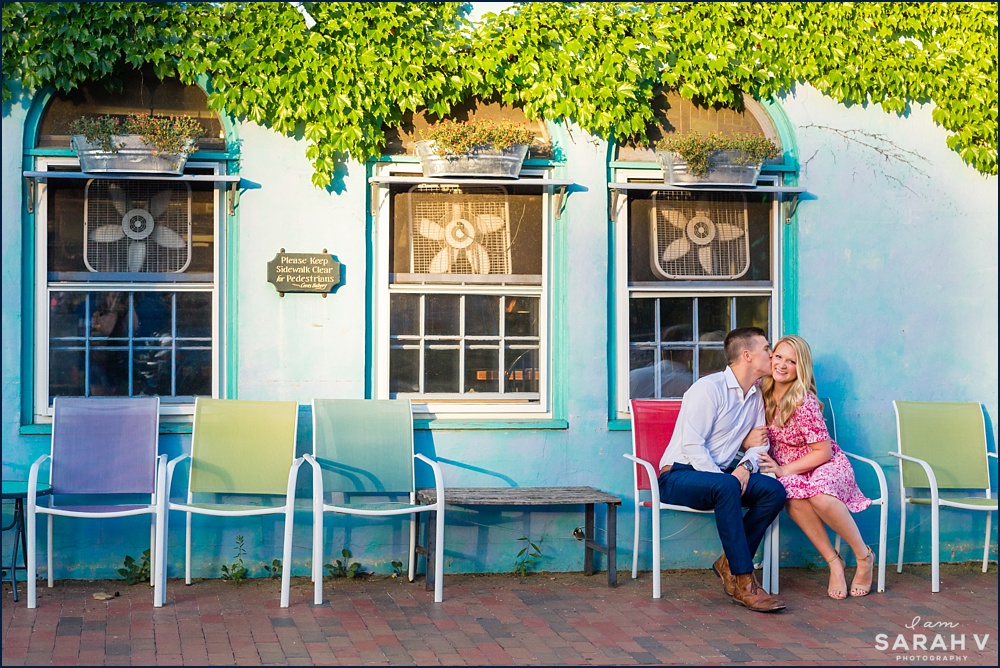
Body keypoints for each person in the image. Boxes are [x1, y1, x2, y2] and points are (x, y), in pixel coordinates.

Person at [657, 326, 787, 612]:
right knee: (726, 485)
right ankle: (744, 582)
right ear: (747, 355)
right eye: (767, 348)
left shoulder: (754, 395)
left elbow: (758, 445)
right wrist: (726, 479)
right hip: (678, 475)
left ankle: (727, 562)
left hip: (721, 479)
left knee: (773, 490)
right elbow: (692, 446)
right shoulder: (708, 389)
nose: (772, 353)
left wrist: (743, 469)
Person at [757, 335, 874, 599]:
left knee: (819, 496)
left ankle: (863, 556)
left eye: (792, 361)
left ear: (802, 368)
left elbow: (822, 451)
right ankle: (834, 562)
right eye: (778, 357)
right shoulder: (760, 393)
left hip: (823, 462)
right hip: (788, 467)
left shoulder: (803, 401)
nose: (782, 365)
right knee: (790, 494)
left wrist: (784, 470)